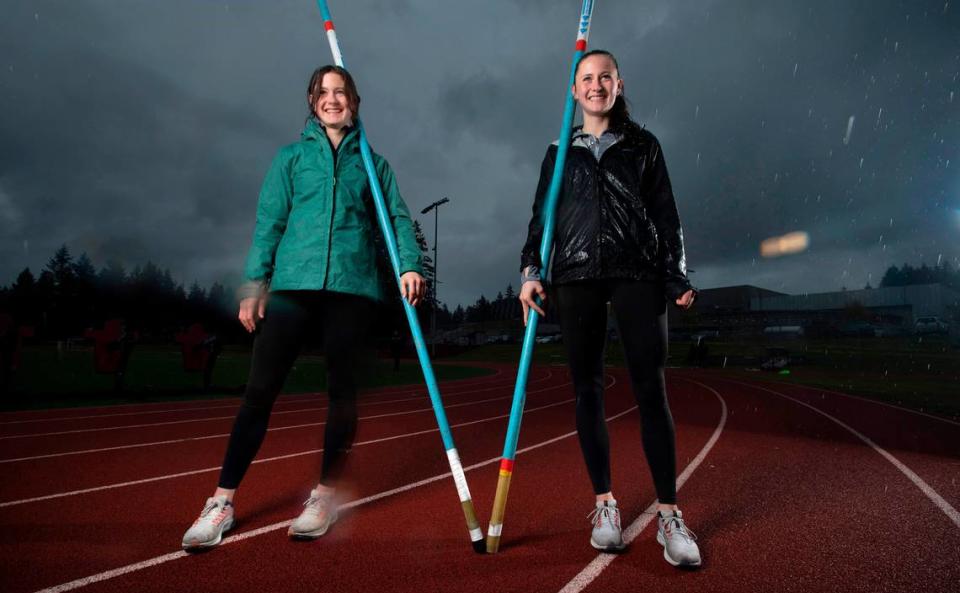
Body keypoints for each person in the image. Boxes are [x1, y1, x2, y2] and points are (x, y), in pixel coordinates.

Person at [181, 65, 425, 549]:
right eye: (322, 93)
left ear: (355, 102)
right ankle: (222, 500)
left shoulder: (374, 167)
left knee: (342, 393)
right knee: (259, 391)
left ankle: (323, 495)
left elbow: (398, 218)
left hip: (352, 288)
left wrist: (409, 265)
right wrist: (255, 283)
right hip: (293, 285)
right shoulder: (290, 159)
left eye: (341, 92)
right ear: (312, 103)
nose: (332, 99)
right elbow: (269, 221)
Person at [518, 50, 701, 568]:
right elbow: (541, 219)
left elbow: (668, 215)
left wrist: (675, 274)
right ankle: (604, 506)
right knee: (587, 390)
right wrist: (531, 272)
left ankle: (669, 514)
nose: (595, 86)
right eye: (586, 79)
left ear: (619, 84)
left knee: (650, 389)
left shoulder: (643, 145)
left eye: (604, 78)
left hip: (637, 273)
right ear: (573, 91)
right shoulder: (558, 152)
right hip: (574, 275)